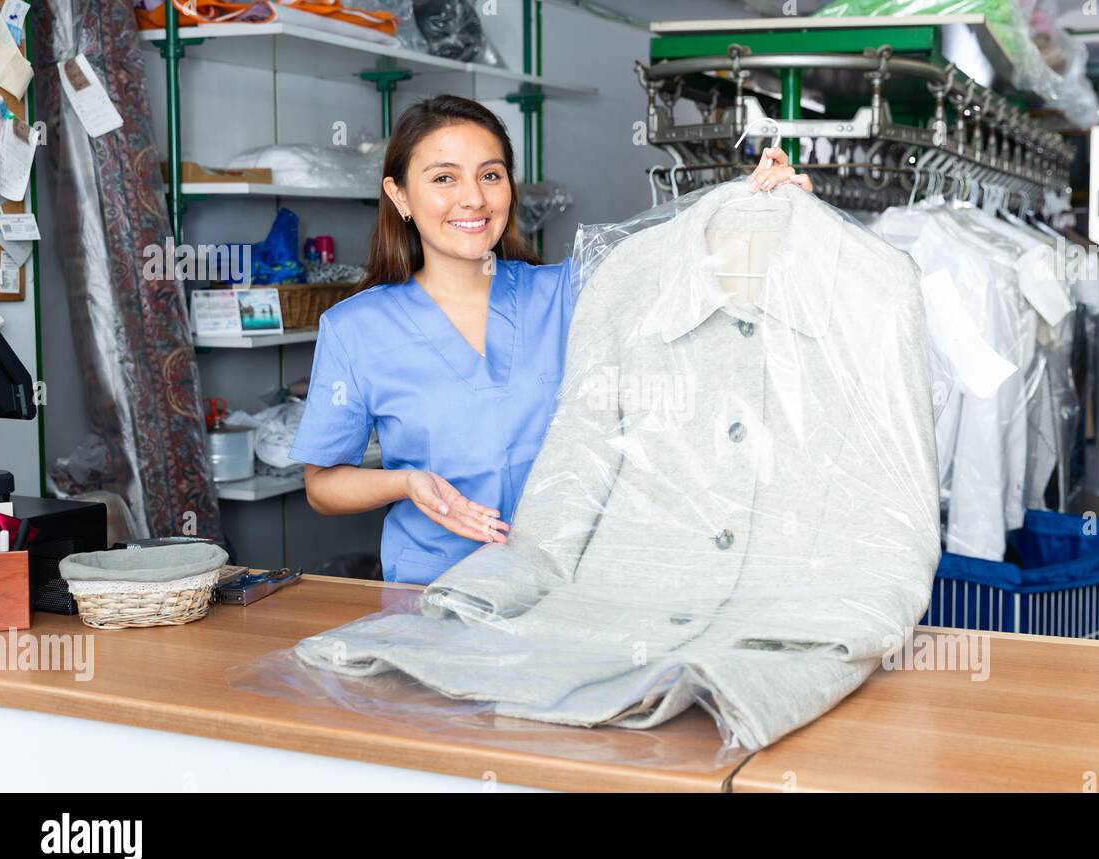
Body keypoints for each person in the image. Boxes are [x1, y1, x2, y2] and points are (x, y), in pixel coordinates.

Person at [289, 95, 812, 585]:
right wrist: (405, 484)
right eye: (443, 178)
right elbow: (323, 485)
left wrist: (760, 211)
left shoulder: (568, 290)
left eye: (490, 175)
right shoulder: (355, 328)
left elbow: (690, 265)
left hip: (575, 586)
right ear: (399, 195)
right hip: (431, 589)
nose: (472, 198)